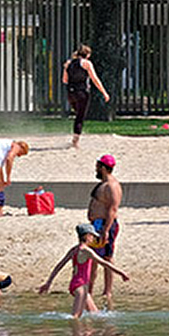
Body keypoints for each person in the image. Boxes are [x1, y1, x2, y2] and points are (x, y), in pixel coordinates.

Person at [36, 222, 129, 318]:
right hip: (81, 287)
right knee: (75, 317)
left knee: (96, 314)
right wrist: (121, 273)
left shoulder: (74, 250)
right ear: (87, 236)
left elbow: (59, 265)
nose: (93, 239)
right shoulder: (86, 251)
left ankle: (89, 332)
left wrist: (48, 282)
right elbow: (104, 263)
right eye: (93, 236)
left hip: (76, 285)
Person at [87, 154, 123, 306]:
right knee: (93, 258)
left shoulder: (112, 186)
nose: (95, 168)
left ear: (103, 167)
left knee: (106, 258)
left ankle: (107, 291)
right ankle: (90, 290)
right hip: (96, 224)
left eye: (97, 166)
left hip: (104, 225)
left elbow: (113, 209)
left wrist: (106, 229)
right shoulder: (103, 183)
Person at [61, 44, 110, 150]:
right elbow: (95, 79)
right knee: (80, 116)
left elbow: (64, 80)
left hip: (70, 93)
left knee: (78, 114)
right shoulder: (86, 63)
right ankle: (75, 141)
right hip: (82, 92)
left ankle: (75, 136)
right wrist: (104, 92)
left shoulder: (68, 63)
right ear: (87, 55)